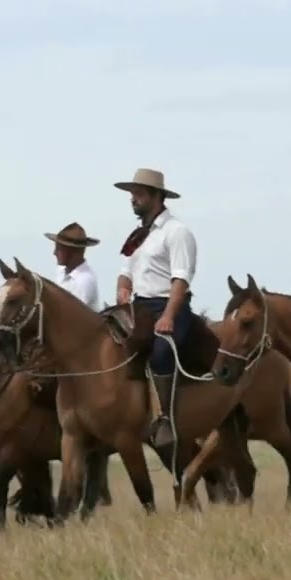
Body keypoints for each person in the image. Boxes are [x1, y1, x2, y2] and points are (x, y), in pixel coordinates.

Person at [114, 168, 198, 450]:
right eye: (132, 194)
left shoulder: (176, 232)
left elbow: (181, 279)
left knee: (162, 353)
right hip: (139, 306)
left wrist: (169, 316)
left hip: (168, 304)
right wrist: (123, 288)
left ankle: (165, 419)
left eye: (138, 194)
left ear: (156, 196)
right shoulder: (138, 236)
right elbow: (125, 269)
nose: (133, 199)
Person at [44, 222, 103, 311]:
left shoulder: (84, 281)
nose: (55, 253)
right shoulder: (62, 272)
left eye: (59, 249)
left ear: (72, 252)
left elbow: (71, 314)